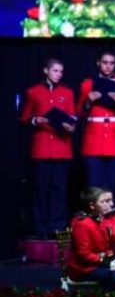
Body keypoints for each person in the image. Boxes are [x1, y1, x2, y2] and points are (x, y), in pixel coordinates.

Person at [20, 58, 75, 236]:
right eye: (55, 71)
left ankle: (57, 227)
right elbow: (24, 118)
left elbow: (72, 118)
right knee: (40, 190)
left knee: (59, 190)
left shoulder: (67, 93)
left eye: (61, 71)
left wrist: (70, 126)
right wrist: (35, 120)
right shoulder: (33, 92)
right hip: (41, 149)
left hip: (62, 148)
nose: (59, 74)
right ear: (46, 71)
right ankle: (40, 228)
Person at [77, 51, 115, 194]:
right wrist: (88, 101)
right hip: (94, 142)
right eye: (105, 62)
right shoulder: (87, 84)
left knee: (112, 186)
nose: (108, 66)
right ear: (98, 63)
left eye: (112, 63)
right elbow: (78, 113)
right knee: (93, 187)